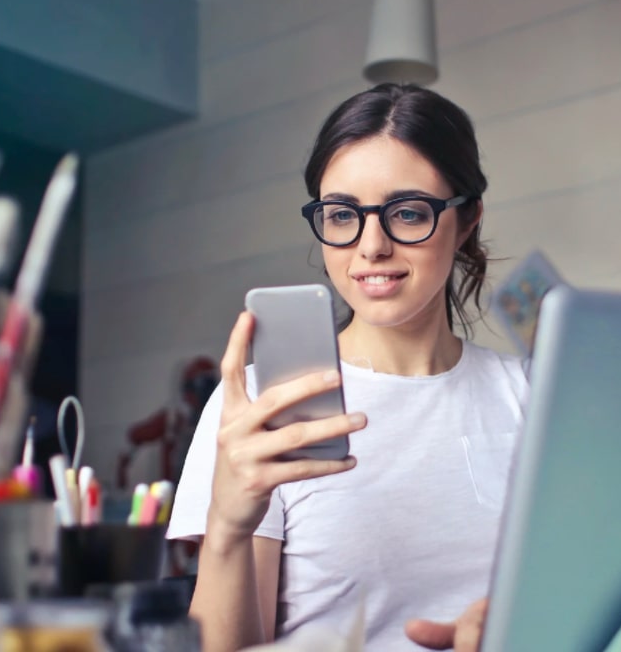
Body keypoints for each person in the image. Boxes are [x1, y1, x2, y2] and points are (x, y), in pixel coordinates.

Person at [167, 84, 530, 652]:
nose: (371, 245)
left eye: (408, 212)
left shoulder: (533, 396)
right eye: (342, 215)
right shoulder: (265, 405)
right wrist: (229, 530)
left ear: (466, 220)